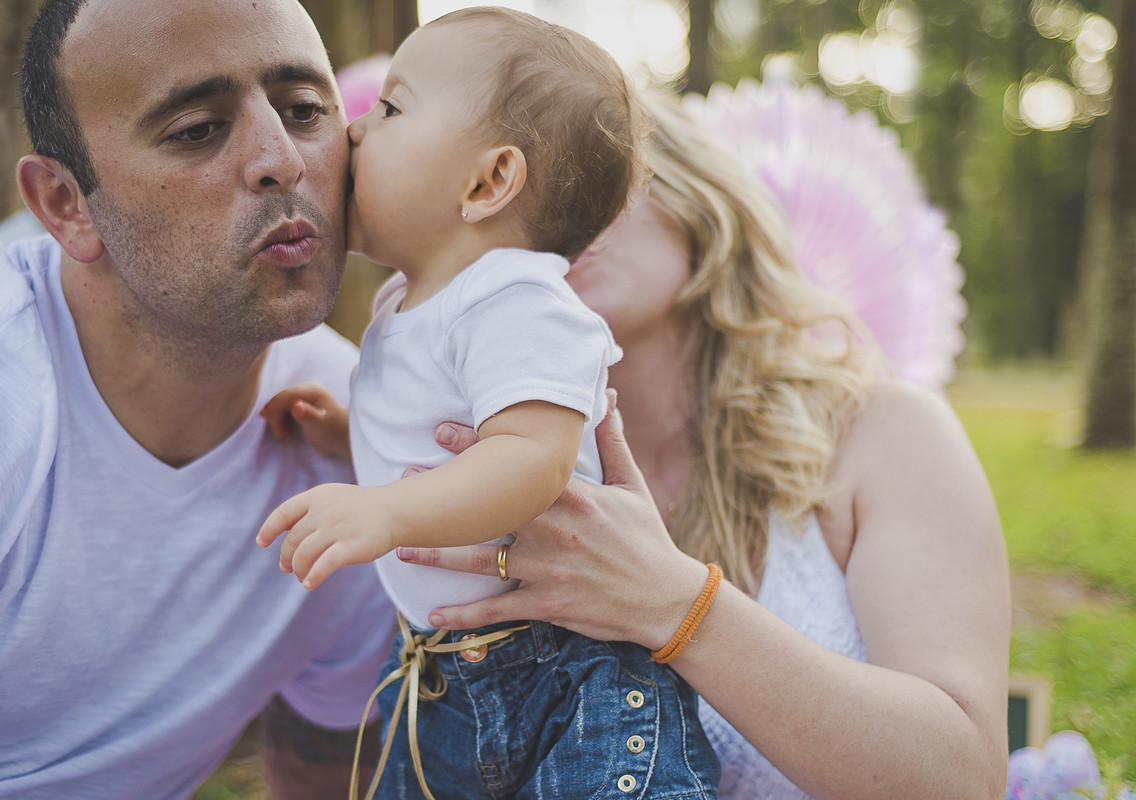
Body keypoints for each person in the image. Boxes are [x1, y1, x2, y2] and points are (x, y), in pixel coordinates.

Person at [396, 91, 1012, 799]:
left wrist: (673, 603)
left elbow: (962, 777)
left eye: (593, 171)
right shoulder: (473, 470)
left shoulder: (885, 434)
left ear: (699, 203)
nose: (559, 212)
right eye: (515, 188)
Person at [0, 0, 398, 797]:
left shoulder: (362, 448)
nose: (281, 160)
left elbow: (330, 754)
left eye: (303, 110)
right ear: (65, 204)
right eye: (197, 128)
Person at [255, 8, 719, 800]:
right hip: (445, 676)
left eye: (390, 108)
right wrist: (347, 436)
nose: (355, 130)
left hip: (565, 681)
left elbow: (530, 460)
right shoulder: (409, 301)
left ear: (488, 182)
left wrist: (388, 511)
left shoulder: (520, 300)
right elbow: (444, 439)